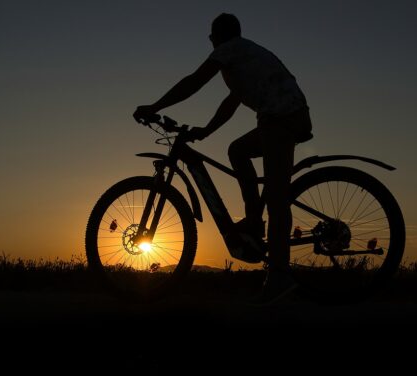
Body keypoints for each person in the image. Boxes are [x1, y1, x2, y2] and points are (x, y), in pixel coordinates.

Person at [134, 13, 312, 303]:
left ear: (216, 37)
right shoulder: (244, 56)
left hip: (282, 120)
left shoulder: (229, 50)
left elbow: (194, 81)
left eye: (211, 37)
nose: (211, 42)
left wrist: (155, 106)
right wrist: (205, 131)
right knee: (237, 150)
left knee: (278, 199)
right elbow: (231, 103)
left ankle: (280, 275)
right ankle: (254, 222)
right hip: (285, 117)